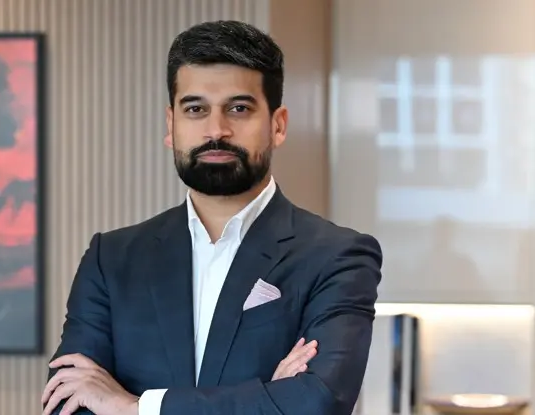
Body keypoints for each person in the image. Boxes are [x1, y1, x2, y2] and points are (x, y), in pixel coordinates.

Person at [41, 20, 382, 415]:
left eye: (239, 109)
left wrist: (135, 407)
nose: (216, 130)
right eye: (195, 109)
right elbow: (68, 400)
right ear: (171, 125)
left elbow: (316, 401)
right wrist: (268, 397)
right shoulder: (112, 259)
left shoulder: (337, 257)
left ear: (278, 125)